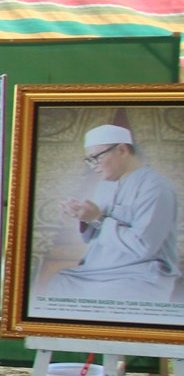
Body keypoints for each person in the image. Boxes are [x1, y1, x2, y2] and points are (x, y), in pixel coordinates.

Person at [42, 124, 181, 302]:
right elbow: (95, 238)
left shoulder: (155, 187)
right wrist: (84, 216)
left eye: (96, 158)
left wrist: (97, 218)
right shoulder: (106, 184)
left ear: (122, 150)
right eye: (89, 160)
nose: (93, 166)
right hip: (99, 271)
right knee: (61, 282)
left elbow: (144, 247)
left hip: (139, 275)